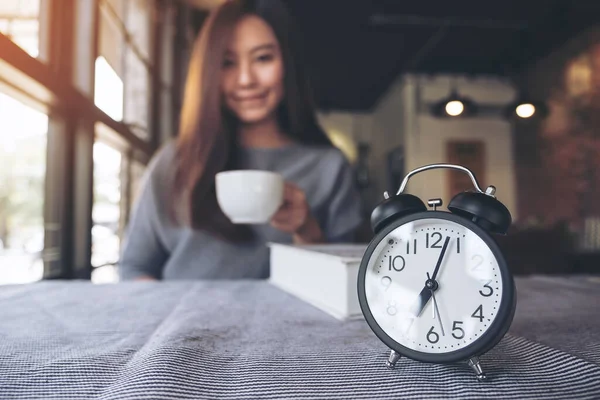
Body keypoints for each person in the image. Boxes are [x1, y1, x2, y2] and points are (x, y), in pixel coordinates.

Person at [119, 0, 363, 281]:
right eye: (227, 63)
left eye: (263, 58)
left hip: (282, 324)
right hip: (181, 321)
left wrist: (307, 229)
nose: (246, 79)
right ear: (209, 73)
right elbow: (134, 267)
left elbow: (345, 283)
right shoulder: (175, 160)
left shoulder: (328, 168)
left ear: (288, 62)